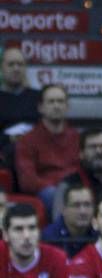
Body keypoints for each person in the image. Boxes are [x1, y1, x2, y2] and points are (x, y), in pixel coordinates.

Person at [13, 83, 80, 214]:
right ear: (41, 107)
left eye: (60, 101)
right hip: (48, 192)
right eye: (51, 102)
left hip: (75, 189)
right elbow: (27, 180)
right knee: (53, 195)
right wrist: (59, 186)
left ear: (67, 107)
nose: (56, 106)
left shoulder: (77, 137)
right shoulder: (27, 140)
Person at [52, 127, 102, 218]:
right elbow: (58, 220)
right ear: (81, 153)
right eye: (93, 147)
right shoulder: (67, 185)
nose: (99, 151)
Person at [42, 183, 97, 258]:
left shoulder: (99, 234)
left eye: (87, 205)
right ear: (64, 209)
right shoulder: (49, 238)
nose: (83, 211)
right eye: (76, 205)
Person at [0, 45, 39, 131]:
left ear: (25, 68)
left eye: (20, 64)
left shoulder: (38, 98)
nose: (16, 69)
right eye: (11, 64)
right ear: (2, 68)